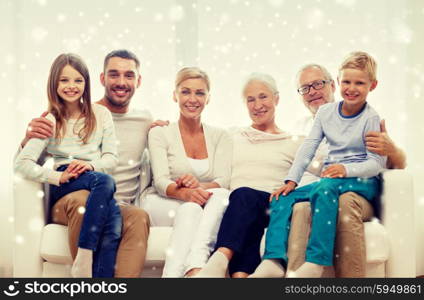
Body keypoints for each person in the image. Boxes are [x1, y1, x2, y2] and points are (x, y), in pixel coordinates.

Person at [18, 49, 155, 277]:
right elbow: (25, 162)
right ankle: (84, 265)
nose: (121, 82)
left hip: (108, 196)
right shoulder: (51, 119)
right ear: (102, 79)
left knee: (136, 216)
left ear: (138, 81)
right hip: (70, 195)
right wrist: (28, 140)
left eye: (128, 75)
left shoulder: (132, 119)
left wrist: (165, 131)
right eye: (114, 74)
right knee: (87, 198)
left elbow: (112, 158)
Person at [253, 51, 387, 278]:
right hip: (332, 181)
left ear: (372, 86)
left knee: (325, 187)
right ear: (338, 82)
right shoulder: (325, 113)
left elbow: (376, 163)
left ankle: (316, 261)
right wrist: (291, 180)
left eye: (359, 83)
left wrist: (346, 170)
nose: (351, 88)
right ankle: (273, 261)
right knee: (283, 196)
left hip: (362, 181)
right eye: (346, 81)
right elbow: (309, 147)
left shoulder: (371, 118)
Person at [275, 62, 407, 278]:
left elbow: (385, 163)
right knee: (299, 207)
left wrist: (389, 150)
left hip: (353, 190)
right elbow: (305, 153)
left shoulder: (369, 118)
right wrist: (291, 181)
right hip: (319, 191)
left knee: (343, 201)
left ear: (331, 85)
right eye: (305, 88)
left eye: (318, 84)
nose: (313, 91)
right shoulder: (300, 127)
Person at [194, 73, 317, 278]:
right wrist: (161, 127)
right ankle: (240, 278)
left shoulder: (294, 141)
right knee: (244, 206)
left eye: (263, 97)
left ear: (276, 99)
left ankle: (219, 259)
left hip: (272, 205)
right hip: (237, 209)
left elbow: (330, 164)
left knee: (244, 196)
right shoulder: (231, 135)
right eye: (250, 99)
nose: (257, 105)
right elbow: (194, 139)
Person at [141, 67, 232, 278]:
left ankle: (190, 269)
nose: (193, 99)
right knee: (192, 205)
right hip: (161, 201)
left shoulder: (221, 136)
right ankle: (196, 268)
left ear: (208, 98)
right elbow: (161, 181)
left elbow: (222, 180)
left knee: (218, 197)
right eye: (185, 91)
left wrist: (197, 188)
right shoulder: (160, 133)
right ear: (175, 95)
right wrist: (185, 193)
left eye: (200, 93)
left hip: (200, 202)